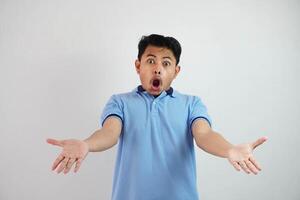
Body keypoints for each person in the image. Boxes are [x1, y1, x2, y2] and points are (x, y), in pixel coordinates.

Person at [47, 34, 267, 200]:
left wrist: (230, 149)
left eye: (166, 63)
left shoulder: (192, 104)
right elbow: (109, 133)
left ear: (176, 71)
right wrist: (86, 144)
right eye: (151, 61)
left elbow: (204, 135)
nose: (158, 69)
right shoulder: (119, 102)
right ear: (138, 65)